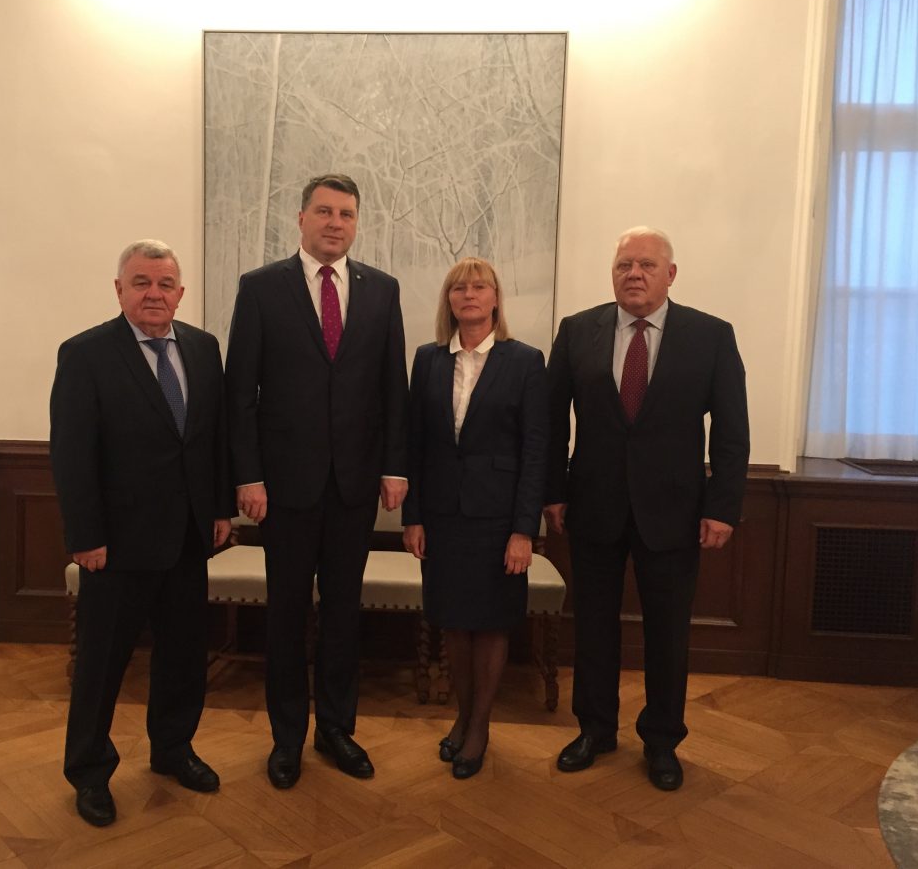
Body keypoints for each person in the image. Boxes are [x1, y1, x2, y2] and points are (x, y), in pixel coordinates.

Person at [544, 226, 749, 792]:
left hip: (675, 513)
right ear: (612, 273)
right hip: (593, 506)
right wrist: (552, 492)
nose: (634, 274)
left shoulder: (711, 336)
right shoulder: (577, 331)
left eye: (647, 265)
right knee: (593, 627)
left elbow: (732, 431)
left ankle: (662, 741)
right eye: (624, 265)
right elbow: (551, 421)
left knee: (668, 632)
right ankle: (595, 730)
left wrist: (723, 507)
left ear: (670, 274)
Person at [224, 173, 408, 789]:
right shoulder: (260, 288)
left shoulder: (382, 290)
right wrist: (248, 476)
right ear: (301, 218)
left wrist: (394, 467)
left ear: (356, 224)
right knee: (286, 615)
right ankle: (286, 739)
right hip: (284, 488)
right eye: (324, 211)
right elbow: (240, 393)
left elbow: (392, 387)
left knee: (343, 614)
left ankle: (336, 729)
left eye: (346, 214)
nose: (335, 223)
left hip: (354, 485)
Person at [50, 239, 234, 826]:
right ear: (119, 289)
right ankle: (89, 772)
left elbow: (213, 439)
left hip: (188, 539)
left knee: (183, 657)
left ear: (180, 292)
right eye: (141, 283)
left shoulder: (203, 348)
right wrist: (85, 536)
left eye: (165, 284)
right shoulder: (86, 354)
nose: (154, 293)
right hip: (116, 546)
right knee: (102, 665)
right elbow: (72, 455)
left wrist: (221, 508)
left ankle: (173, 749)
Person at [401, 257, 548, 780]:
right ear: (449, 300)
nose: (469, 294)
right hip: (442, 518)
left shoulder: (525, 361)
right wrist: (414, 517)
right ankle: (463, 718)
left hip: (498, 520)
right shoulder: (428, 360)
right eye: (459, 287)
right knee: (454, 623)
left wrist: (524, 530)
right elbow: (415, 444)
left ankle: (479, 726)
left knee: (489, 624)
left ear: (495, 299)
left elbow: (536, 452)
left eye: (479, 286)